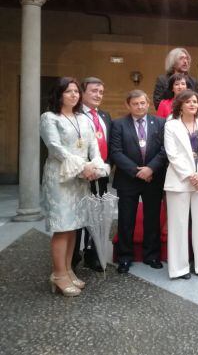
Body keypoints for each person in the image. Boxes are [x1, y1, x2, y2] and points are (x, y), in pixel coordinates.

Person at [40, 77, 109, 297]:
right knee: (62, 227)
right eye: (68, 91)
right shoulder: (50, 118)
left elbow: (94, 148)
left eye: (76, 92)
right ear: (59, 94)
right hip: (61, 177)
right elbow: (55, 147)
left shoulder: (83, 118)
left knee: (74, 226)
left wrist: (95, 166)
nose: (74, 95)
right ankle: (58, 275)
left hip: (81, 178)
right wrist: (82, 168)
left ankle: (68, 270)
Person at [110, 90, 168, 274]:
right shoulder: (118, 124)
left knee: (152, 218)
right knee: (126, 220)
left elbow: (165, 149)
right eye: (135, 104)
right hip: (128, 179)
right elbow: (116, 152)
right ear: (128, 105)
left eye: (142, 103)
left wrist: (150, 169)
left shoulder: (160, 122)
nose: (139, 106)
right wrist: (137, 172)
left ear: (148, 103)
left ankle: (151, 255)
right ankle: (124, 257)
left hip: (154, 177)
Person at [163, 90, 198, 279]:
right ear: (181, 105)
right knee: (178, 224)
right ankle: (179, 268)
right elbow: (172, 154)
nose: (192, 104)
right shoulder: (171, 125)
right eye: (188, 102)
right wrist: (190, 175)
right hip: (179, 181)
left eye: (195, 101)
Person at [74, 76, 112, 272]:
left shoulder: (104, 116)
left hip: (102, 175)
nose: (98, 95)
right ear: (82, 93)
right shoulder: (74, 115)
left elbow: (110, 145)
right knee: (80, 214)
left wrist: (106, 168)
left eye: (101, 92)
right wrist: (86, 169)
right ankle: (73, 256)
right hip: (82, 175)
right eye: (94, 91)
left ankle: (92, 254)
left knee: (97, 214)